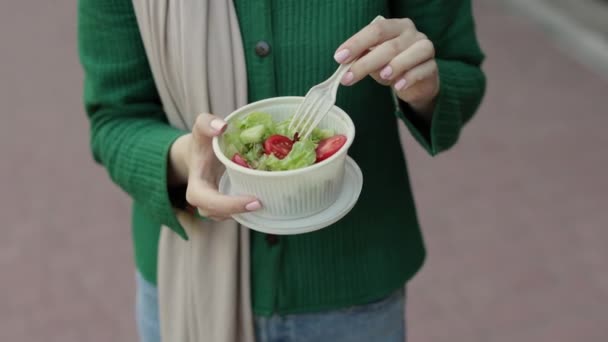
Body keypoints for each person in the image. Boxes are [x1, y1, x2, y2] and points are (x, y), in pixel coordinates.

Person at [78, 0, 486, 341]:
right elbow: (115, 119)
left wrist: (425, 85)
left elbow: (461, 71)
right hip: (187, 285)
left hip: (353, 286)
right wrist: (190, 158)